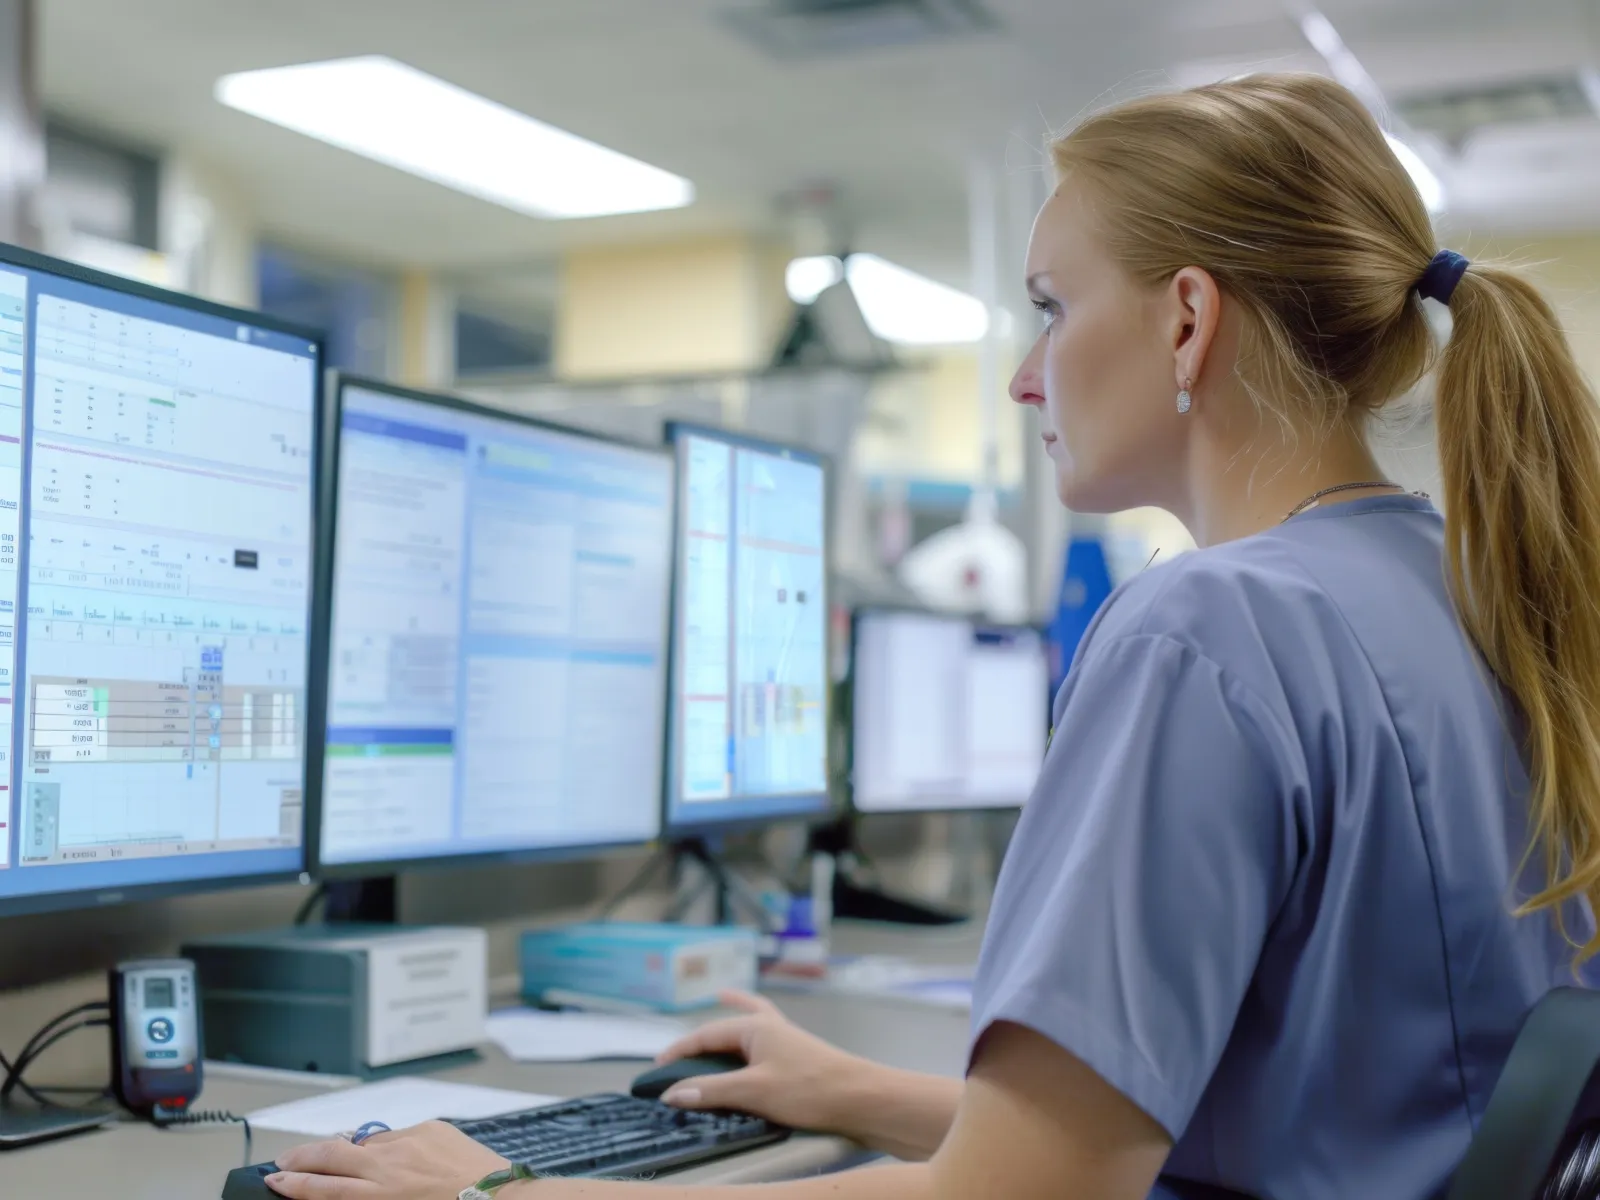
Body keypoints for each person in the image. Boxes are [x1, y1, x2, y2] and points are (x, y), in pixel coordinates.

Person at [264, 70, 1600, 1200]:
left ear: (1188, 321)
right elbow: (1292, 1117)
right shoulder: (1461, 588)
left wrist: (500, 1192)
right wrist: (857, 1091)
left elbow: (1013, 1199)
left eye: (1051, 308)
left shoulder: (1207, 631)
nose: (1024, 376)